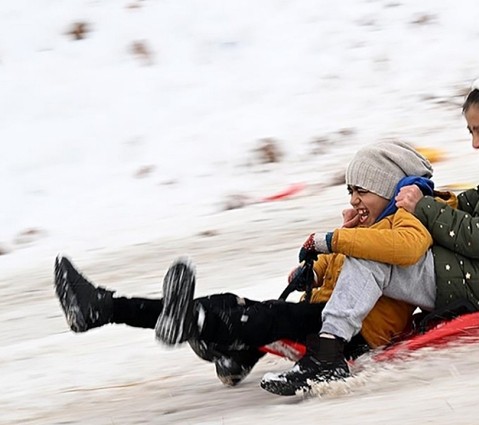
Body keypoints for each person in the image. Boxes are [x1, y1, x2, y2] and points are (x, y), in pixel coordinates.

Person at [260, 54, 479, 396]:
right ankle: (334, 336)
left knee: (372, 255)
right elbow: (475, 202)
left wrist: (428, 210)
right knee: (382, 246)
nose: (475, 143)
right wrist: (431, 200)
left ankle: (328, 354)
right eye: (471, 132)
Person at [53, 140, 446, 386]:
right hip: (325, 314)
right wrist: (319, 264)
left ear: (391, 188)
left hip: (353, 332)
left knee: (248, 314)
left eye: (362, 190)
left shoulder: (405, 221)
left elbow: (400, 252)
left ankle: (197, 327)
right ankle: (110, 308)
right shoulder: (369, 226)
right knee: (246, 310)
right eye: (350, 191)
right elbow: (341, 276)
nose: (354, 199)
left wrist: (340, 239)